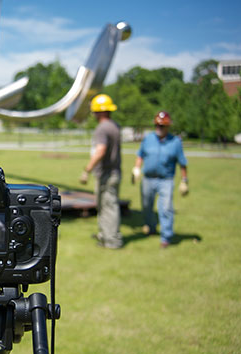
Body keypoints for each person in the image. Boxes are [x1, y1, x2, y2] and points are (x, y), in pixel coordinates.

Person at [131, 111, 189, 248]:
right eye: (157, 125)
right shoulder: (148, 139)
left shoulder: (175, 142)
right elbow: (140, 155)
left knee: (166, 208)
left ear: (168, 127)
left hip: (166, 180)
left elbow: (182, 163)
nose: (159, 128)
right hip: (148, 179)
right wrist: (137, 168)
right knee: (146, 206)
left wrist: (184, 180)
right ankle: (151, 228)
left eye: (162, 126)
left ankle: (166, 237)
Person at [80, 94, 123, 249]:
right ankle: (105, 235)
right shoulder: (114, 126)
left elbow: (100, 150)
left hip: (107, 174)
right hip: (114, 172)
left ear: (99, 112)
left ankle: (112, 241)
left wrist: (87, 170)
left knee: (109, 206)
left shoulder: (102, 128)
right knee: (105, 206)